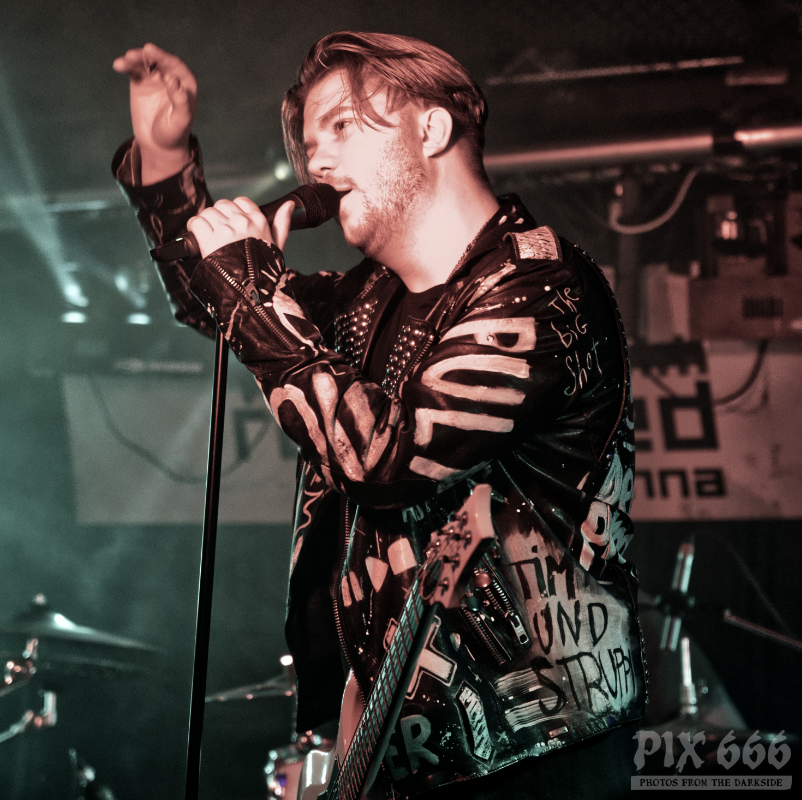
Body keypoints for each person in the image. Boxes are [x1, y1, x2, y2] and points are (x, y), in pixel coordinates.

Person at [112, 32, 645, 798]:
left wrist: (256, 295)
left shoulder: (542, 287)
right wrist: (164, 163)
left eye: (342, 126)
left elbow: (388, 462)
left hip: (536, 755)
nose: (317, 163)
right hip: (392, 752)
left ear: (432, 128)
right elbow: (220, 303)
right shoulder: (363, 303)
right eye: (310, 144)